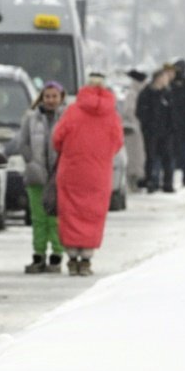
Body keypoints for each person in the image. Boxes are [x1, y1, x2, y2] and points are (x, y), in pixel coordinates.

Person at [52, 73, 123, 276]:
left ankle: (72, 257)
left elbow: (57, 138)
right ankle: (86, 259)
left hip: (72, 170)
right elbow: (117, 142)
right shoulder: (111, 115)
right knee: (93, 213)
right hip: (99, 173)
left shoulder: (73, 111)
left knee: (70, 211)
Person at [6, 81, 66, 274]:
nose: (50, 100)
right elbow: (21, 142)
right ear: (42, 98)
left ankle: (56, 255)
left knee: (56, 218)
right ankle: (38, 254)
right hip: (36, 175)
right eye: (47, 96)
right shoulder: (31, 119)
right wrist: (31, 160)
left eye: (54, 96)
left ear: (61, 98)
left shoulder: (67, 118)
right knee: (39, 217)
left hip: (59, 175)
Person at [136, 69, 174, 192]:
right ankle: (151, 181)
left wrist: (171, 127)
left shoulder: (167, 93)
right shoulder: (147, 93)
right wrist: (147, 125)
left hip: (165, 132)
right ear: (158, 78)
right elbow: (140, 111)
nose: (166, 80)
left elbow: (172, 113)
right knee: (151, 157)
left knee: (167, 157)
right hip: (151, 132)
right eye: (164, 77)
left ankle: (167, 183)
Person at [167, 59, 185, 187]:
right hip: (172, 126)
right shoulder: (170, 84)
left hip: (183, 127)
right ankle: (170, 179)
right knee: (170, 154)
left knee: (183, 155)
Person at [121, 69, 147, 190]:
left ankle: (135, 180)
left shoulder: (136, 92)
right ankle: (132, 181)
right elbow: (129, 110)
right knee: (134, 157)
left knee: (137, 156)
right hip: (133, 130)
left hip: (136, 128)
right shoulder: (133, 93)